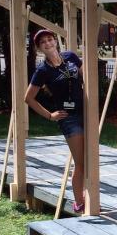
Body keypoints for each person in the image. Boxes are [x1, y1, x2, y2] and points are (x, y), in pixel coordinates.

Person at [24, 30, 86, 212]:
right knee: (80, 161)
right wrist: (50, 115)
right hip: (69, 118)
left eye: (50, 39)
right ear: (39, 48)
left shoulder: (71, 57)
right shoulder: (43, 71)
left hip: (85, 112)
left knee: (89, 159)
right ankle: (79, 202)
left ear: (55, 41)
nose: (48, 43)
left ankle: (87, 196)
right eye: (43, 42)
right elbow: (28, 98)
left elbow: (85, 78)